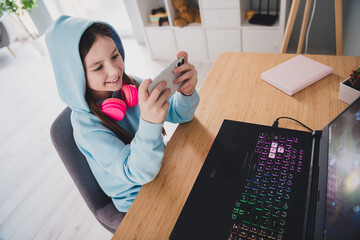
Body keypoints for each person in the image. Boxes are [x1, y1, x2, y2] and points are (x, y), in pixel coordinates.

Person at [45, 15, 200, 214]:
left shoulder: (131, 84)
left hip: (165, 168)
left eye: (115, 55)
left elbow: (181, 115)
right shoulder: (86, 127)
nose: (114, 71)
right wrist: (149, 123)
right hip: (139, 199)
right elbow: (139, 173)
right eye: (98, 67)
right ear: (74, 75)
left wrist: (186, 93)